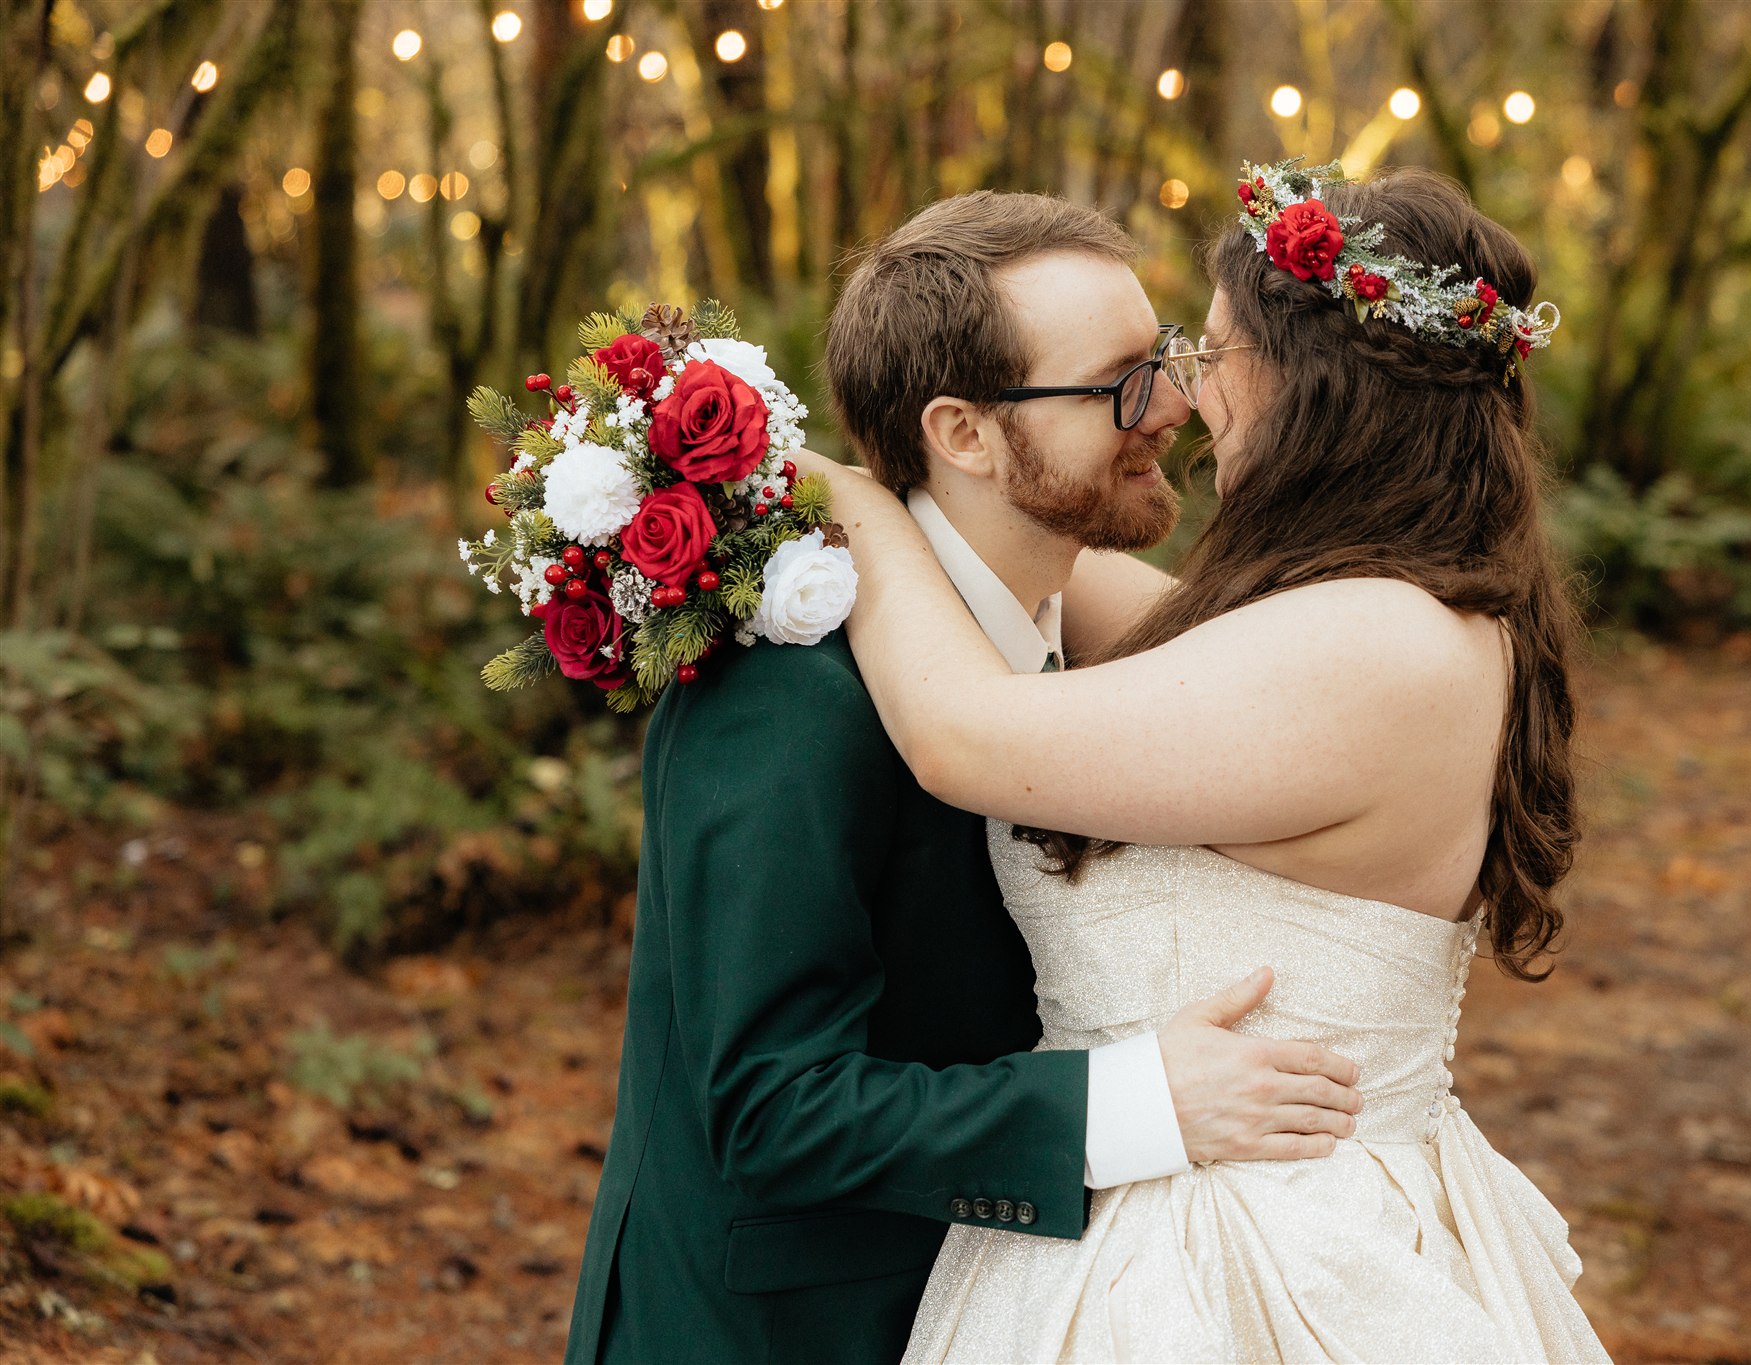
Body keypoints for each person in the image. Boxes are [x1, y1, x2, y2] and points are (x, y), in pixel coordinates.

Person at [798, 164, 1611, 1362]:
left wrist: (850, 502)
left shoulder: (1367, 643)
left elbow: (962, 734)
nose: (1183, 393)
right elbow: (1048, 583)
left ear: (1314, 388)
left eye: (1214, 353)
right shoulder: (1376, 612)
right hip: (1219, 1203)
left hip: (1250, 1260)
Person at [562, 191, 1366, 1365]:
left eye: (1169, 364)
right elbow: (771, 1109)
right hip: (779, 1333)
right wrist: (1138, 1104)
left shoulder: (1064, 642)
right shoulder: (787, 689)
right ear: (965, 434)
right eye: (1120, 384)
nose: (1179, 406)